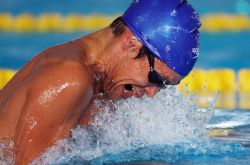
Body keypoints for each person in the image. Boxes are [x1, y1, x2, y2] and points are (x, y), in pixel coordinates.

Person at [0, 0, 200, 164]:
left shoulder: (104, 84)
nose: (152, 92)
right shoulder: (70, 79)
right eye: (156, 78)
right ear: (132, 44)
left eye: (164, 86)